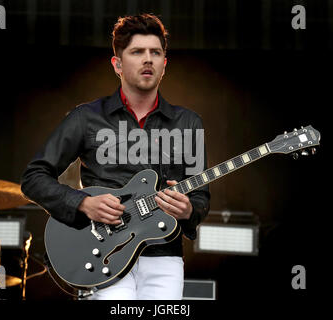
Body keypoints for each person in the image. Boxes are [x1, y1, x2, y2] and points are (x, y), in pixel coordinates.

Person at [21, 13, 210, 300]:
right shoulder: (86, 118)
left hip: (163, 258)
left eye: (155, 53)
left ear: (164, 65)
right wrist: (82, 202)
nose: (148, 59)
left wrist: (188, 210)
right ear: (117, 64)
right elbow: (33, 178)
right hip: (103, 254)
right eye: (137, 52)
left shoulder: (188, 123)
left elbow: (200, 197)